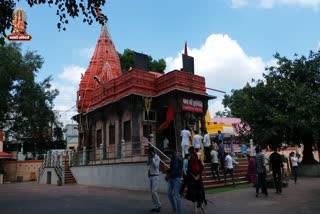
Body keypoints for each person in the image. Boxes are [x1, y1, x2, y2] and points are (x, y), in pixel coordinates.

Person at [185, 149, 206, 214]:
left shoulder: (198, 161)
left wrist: (198, 175)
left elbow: (202, 168)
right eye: (191, 155)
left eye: (193, 155)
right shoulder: (189, 162)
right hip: (192, 181)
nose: (192, 156)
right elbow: (189, 171)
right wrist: (194, 176)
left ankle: (202, 207)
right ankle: (195, 209)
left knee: (200, 194)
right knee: (193, 195)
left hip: (199, 180)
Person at [147, 147, 161, 212]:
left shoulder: (157, 157)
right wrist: (149, 159)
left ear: (153, 152)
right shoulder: (150, 157)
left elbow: (156, 166)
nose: (149, 154)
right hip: (151, 176)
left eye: (150, 153)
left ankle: (159, 205)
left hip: (156, 176)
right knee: (152, 193)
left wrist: (152, 158)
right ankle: (155, 206)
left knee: (154, 191)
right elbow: (147, 164)